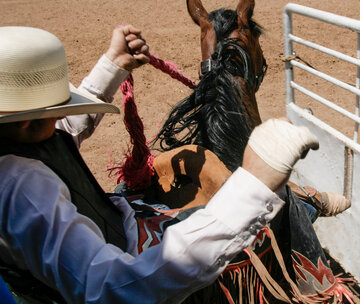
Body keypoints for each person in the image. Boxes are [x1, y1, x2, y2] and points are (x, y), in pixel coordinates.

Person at [0, 25, 320, 304]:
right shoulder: (23, 186)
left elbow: (61, 133)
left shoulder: (19, 142)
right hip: (114, 266)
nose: (61, 117)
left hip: (112, 226)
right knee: (243, 247)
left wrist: (113, 65)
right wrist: (254, 185)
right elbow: (107, 287)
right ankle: (307, 213)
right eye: (55, 110)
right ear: (24, 123)